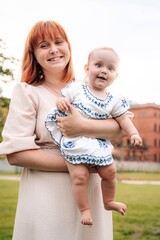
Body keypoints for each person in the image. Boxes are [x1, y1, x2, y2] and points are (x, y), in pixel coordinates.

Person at [0, 20, 133, 240]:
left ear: (68, 47)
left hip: (91, 195)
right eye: (43, 45)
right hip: (46, 196)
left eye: (59, 42)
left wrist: (83, 126)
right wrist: (83, 162)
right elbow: (16, 154)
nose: (53, 49)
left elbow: (124, 124)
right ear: (33, 54)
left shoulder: (88, 87)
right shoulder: (27, 92)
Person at [45, 46, 143, 226]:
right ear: (87, 69)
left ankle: (109, 201)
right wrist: (62, 101)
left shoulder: (113, 99)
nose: (104, 70)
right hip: (76, 141)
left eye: (110, 68)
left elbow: (123, 119)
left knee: (110, 171)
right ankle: (85, 209)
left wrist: (134, 133)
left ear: (115, 76)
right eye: (99, 65)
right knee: (80, 176)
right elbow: (61, 100)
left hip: (98, 143)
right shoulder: (77, 89)